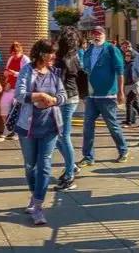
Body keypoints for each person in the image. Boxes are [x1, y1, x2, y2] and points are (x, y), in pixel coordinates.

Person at [12, 39, 67, 225]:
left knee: (44, 165)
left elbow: (63, 95)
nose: (54, 56)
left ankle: (38, 205)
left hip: (50, 126)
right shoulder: (27, 71)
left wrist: (54, 100)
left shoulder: (55, 72)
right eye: (50, 53)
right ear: (41, 54)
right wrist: (40, 95)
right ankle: (35, 195)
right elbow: (19, 95)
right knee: (30, 166)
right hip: (28, 127)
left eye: (54, 53)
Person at [78, 26, 128, 167]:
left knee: (112, 125)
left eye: (99, 34)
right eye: (94, 34)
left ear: (104, 35)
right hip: (91, 96)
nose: (97, 36)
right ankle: (88, 156)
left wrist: (121, 91)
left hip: (108, 95)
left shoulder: (111, 49)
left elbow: (120, 70)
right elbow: (85, 72)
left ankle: (123, 150)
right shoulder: (88, 51)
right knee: (87, 126)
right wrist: (84, 93)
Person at [54, 29, 82, 191]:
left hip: (66, 99)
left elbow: (58, 83)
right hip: (71, 97)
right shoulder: (75, 56)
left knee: (63, 136)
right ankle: (71, 166)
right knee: (59, 135)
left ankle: (70, 175)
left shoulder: (64, 60)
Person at [1, 42, 30, 139]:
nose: (14, 55)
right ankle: (9, 128)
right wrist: (6, 74)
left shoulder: (25, 59)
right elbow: (6, 70)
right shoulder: (11, 58)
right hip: (9, 86)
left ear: (20, 51)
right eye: (12, 53)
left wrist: (14, 73)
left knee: (16, 108)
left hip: (19, 88)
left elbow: (27, 74)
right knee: (3, 106)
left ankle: (16, 132)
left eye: (16, 53)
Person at [123, 49, 139, 127]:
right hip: (128, 85)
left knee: (129, 103)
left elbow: (136, 76)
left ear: (132, 56)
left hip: (133, 86)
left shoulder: (133, 64)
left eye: (128, 55)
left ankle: (129, 121)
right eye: (126, 55)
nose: (126, 57)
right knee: (135, 104)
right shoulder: (126, 64)